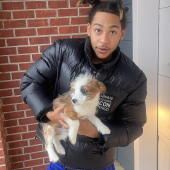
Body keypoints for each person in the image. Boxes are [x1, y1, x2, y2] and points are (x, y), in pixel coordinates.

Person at [20, 0, 147, 170]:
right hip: (60, 161)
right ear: (88, 29)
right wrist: (48, 113)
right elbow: (30, 81)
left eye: (113, 31)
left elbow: (133, 127)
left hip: (100, 163)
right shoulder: (62, 51)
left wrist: (93, 131)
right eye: (98, 30)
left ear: (122, 33)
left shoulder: (134, 78)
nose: (104, 40)